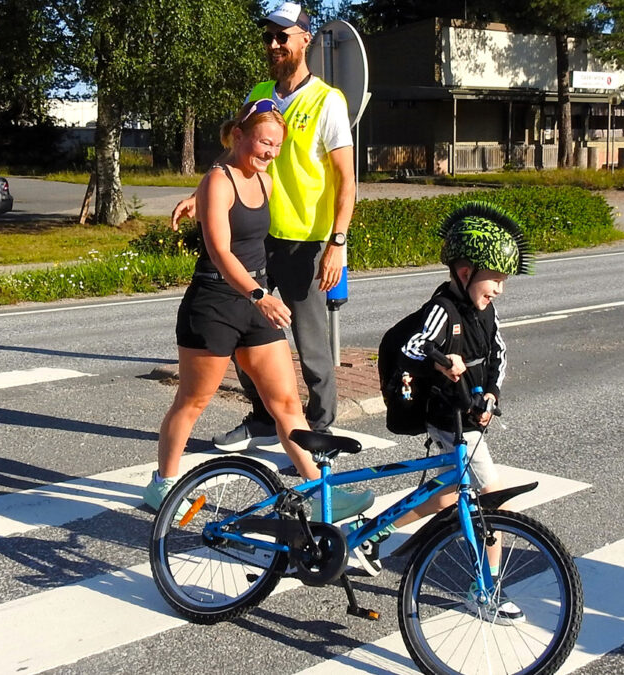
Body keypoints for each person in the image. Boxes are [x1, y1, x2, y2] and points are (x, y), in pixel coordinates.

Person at [170, 2, 371, 521]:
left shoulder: (327, 101)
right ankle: (263, 424)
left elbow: (347, 181)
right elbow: (233, 153)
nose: (275, 46)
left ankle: (318, 437)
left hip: (305, 240)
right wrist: (202, 195)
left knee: (311, 347)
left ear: (306, 40)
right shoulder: (259, 95)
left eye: (284, 37)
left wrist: (338, 241)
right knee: (258, 340)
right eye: (269, 39)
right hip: (256, 240)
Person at [349, 202, 533, 622]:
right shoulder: (443, 309)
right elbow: (412, 346)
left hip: (468, 412)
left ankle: (370, 535)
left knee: (450, 492)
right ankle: (485, 589)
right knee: (492, 498)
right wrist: (441, 360)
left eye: (504, 281)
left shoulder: (485, 312)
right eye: (495, 279)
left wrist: (492, 395)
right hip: (445, 415)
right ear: (465, 272)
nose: (499, 289)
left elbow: (499, 355)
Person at [144, 100, 327, 516]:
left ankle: (318, 494)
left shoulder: (262, 177)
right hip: (215, 303)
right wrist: (260, 296)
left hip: (252, 301)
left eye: (277, 146)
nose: (271, 153)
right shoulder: (218, 181)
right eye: (265, 143)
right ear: (239, 135)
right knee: (192, 400)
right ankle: (163, 484)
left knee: (286, 403)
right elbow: (221, 252)